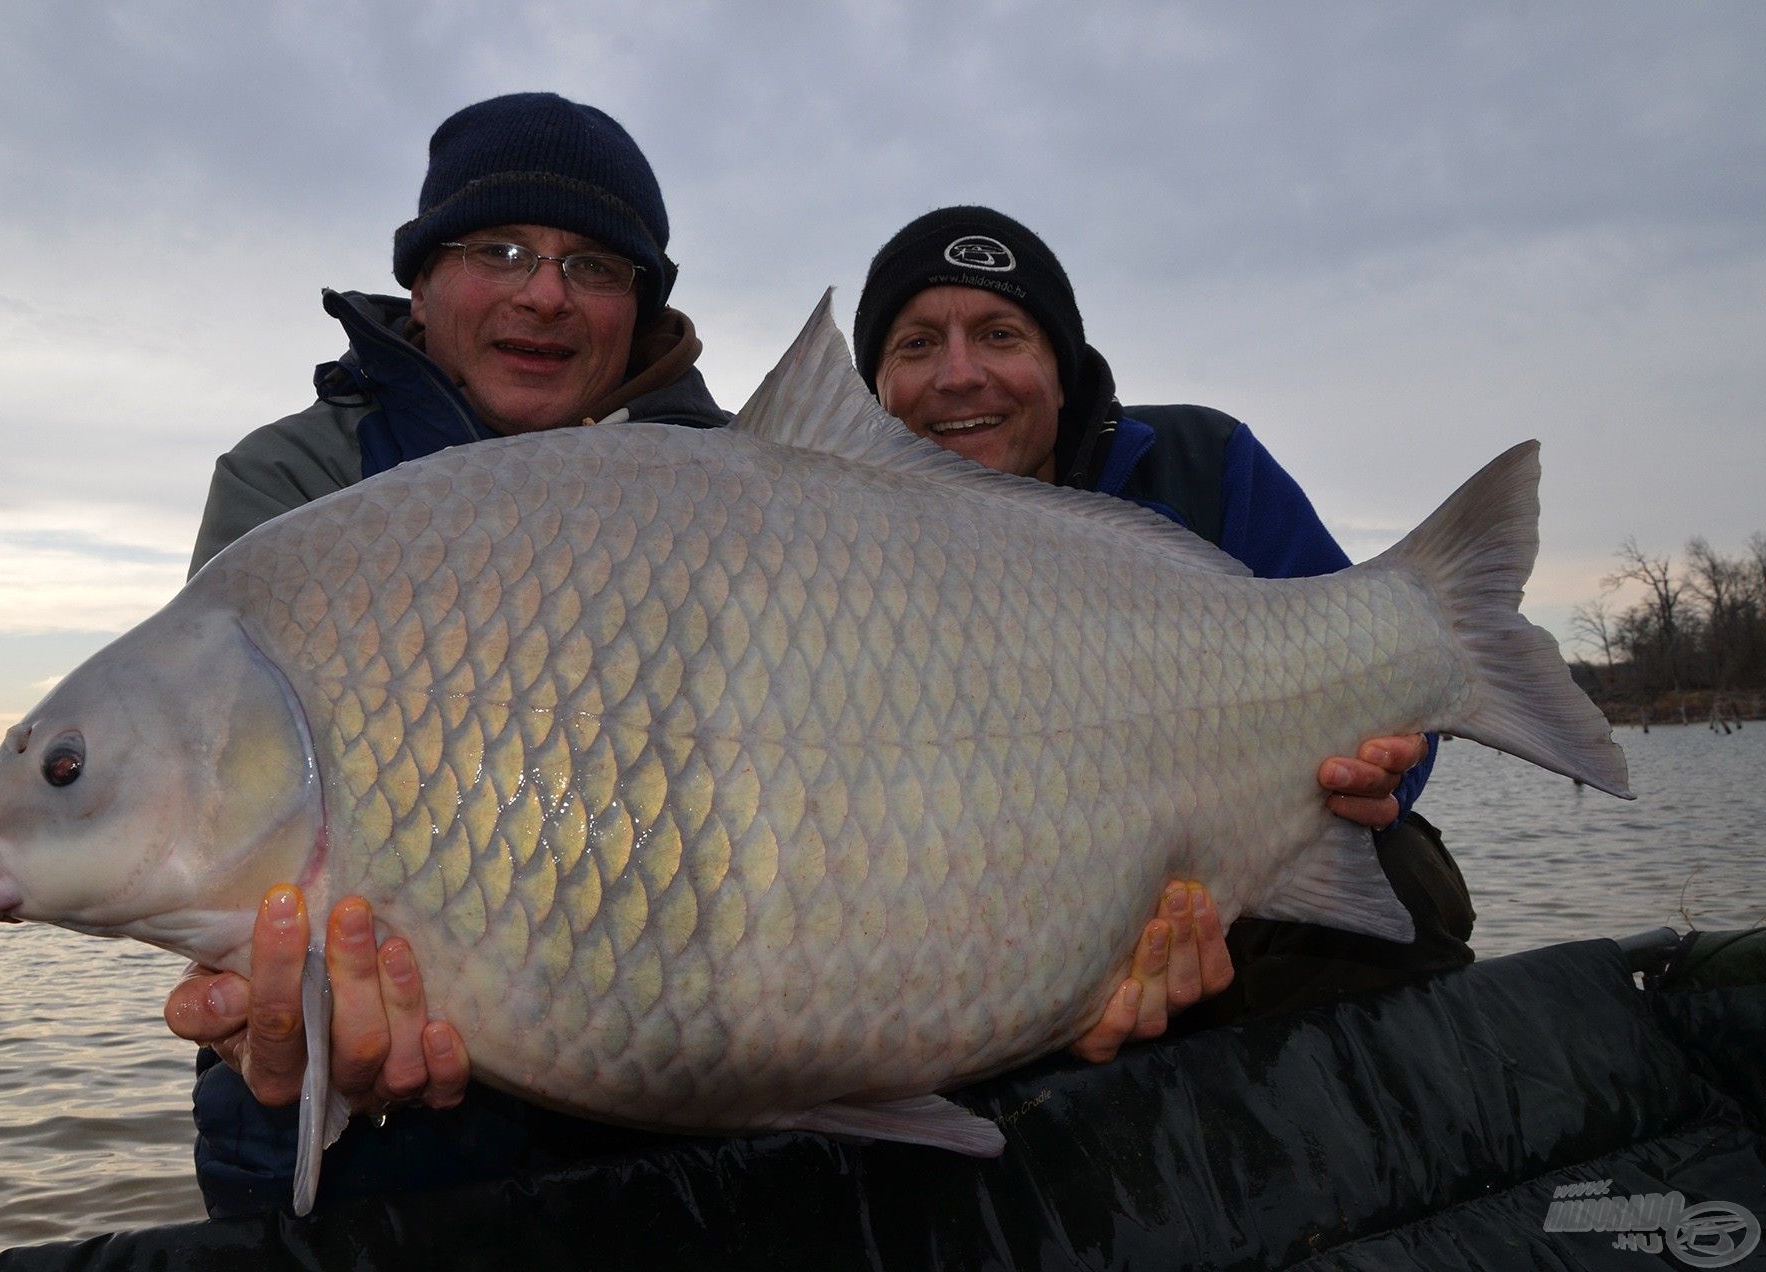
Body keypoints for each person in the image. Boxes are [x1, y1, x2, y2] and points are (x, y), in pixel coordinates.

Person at [165, 99, 1220, 1217]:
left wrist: (1077, 930)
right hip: (382, 1120)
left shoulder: (758, 490)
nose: (543, 293)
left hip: (712, 1049)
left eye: (594, 266)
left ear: (641, 306)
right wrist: (264, 1023)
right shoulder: (292, 489)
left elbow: (886, 782)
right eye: (500, 251)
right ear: (421, 282)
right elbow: (222, 828)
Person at [849, 205, 1477, 1048]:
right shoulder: (826, 544)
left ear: (1061, 368)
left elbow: (1388, 682)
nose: (960, 374)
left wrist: (1383, 773)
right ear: (876, 390)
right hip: (955, 912)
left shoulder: (1203, 464)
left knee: (1406, 880)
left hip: (1224, 891)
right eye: (917, 344)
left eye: (1000, 334)